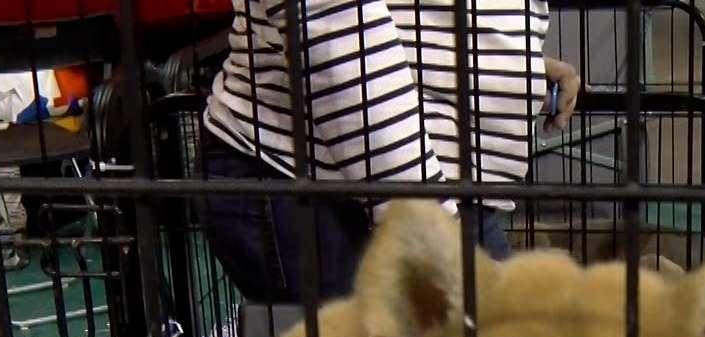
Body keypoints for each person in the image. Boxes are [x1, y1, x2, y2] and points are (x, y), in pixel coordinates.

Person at [196, 0, 581, 305]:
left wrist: (517, 67)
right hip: (337, 180)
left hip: (425, 189)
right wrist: (427, 223)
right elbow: (328, 22)